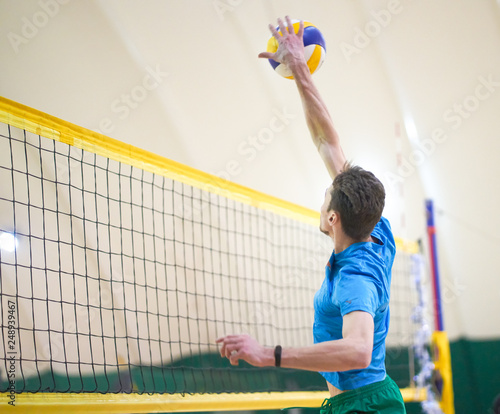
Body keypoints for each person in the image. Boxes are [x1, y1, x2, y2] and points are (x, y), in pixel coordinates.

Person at [216, 16, 406, 414]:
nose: (321, 203)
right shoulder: (375, 224)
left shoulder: (356, 277)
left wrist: (267, 354)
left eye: (324, 200)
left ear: (334, 218)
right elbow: (327, 139)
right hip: (351, 401)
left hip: (364, 406)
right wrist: (299, 67)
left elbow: (356, 350)